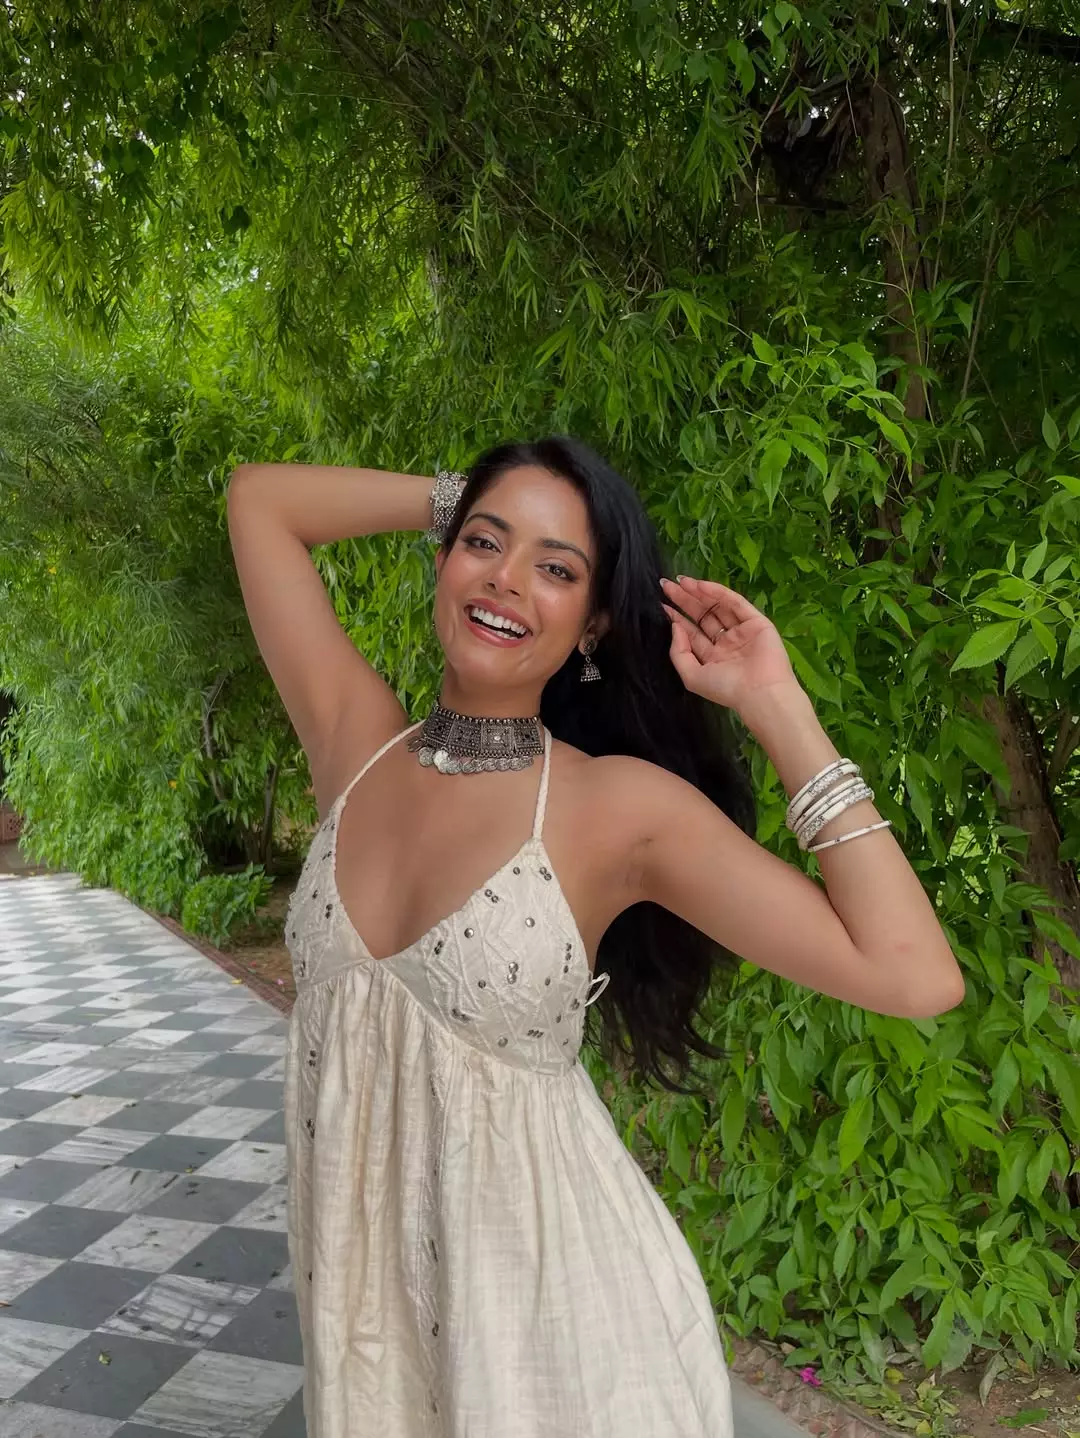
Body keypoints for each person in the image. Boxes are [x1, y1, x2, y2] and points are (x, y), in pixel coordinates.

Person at [226, 436, 963, 1438]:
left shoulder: (614, 810)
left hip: (563, 1334)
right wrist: (463, 496)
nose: (507, 580)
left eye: (557, 568)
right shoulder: (354, 746)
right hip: (371, 1326)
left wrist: (775, 704)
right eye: (484, 544)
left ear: (594, 623)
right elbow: (261, 499)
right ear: (443, 559)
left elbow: (913, 974)